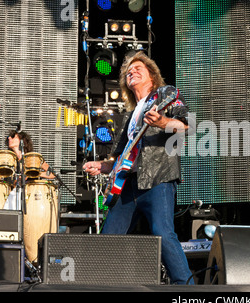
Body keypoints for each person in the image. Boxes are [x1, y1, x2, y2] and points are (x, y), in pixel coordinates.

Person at [83, 51, 193, 285]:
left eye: (138, 69)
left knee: (163, 233)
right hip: (128, 187)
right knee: (109, 239)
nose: (131, 72)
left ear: (151, 76)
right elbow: (122, 158)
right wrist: (101, 166)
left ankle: (187, 289)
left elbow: (187, 126)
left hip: (158, 179)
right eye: (128, 72)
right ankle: (98, 286)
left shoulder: (165, 94)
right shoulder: (130, 116)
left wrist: (162, 122)